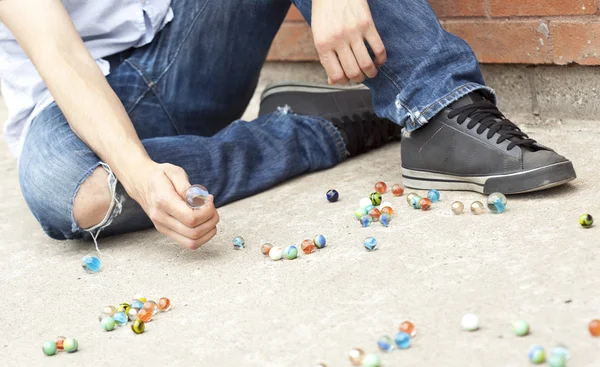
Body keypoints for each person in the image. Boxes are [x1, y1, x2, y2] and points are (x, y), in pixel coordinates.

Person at [0, 0, 576, 249]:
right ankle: (318, 130)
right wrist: (142, 178)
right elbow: (63, 61)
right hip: (71, 109)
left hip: (187, 56)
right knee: (69, 193)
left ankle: (441, 107)